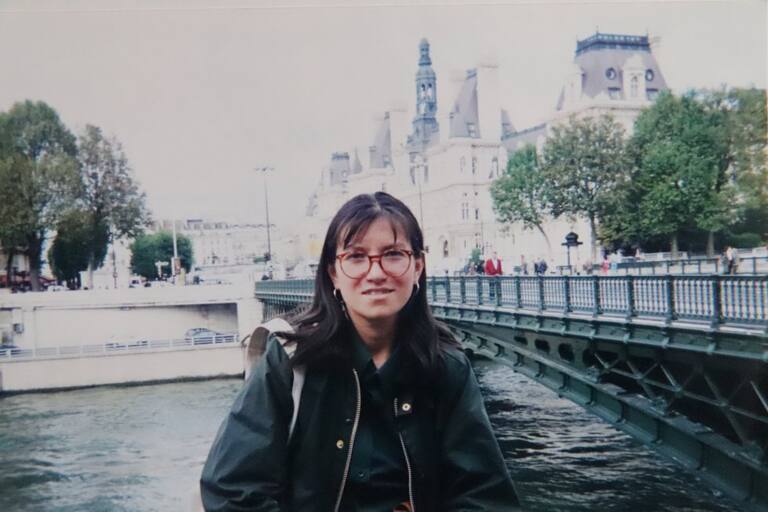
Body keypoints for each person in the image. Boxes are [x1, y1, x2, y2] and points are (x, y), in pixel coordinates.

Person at [200, 192, 521, 511]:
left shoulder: (447, 367)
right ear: (333, 273)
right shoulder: (291, 359)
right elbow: (233, 489)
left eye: (393, 254)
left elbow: (485, 495)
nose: (376, 272)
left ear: (417, 266)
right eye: (356, 256)